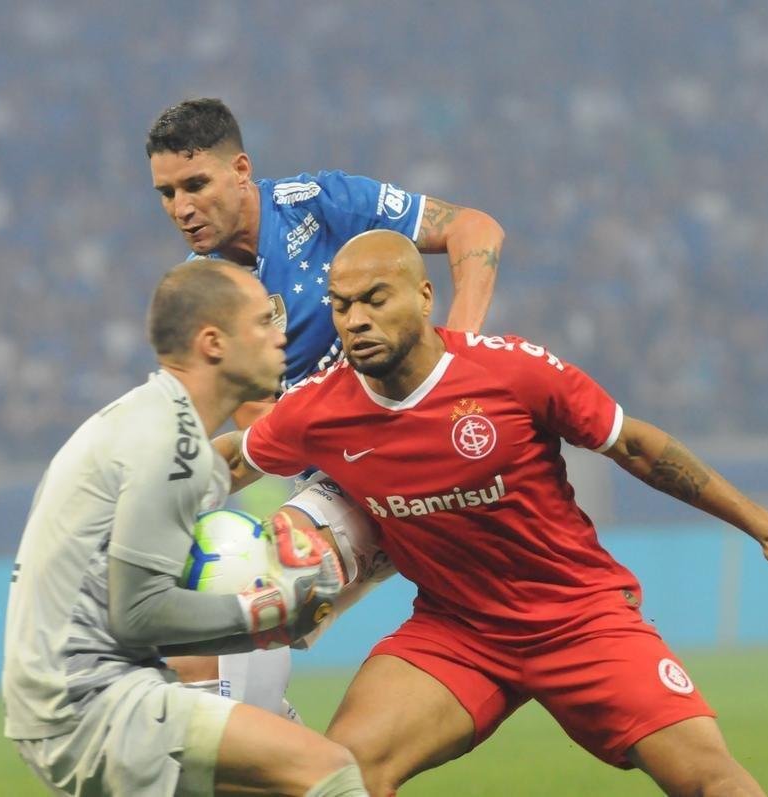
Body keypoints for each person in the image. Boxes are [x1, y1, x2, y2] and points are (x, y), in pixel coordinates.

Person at [218, 230, 768, 796]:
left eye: (375, 299)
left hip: (578, 616)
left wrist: (767, 526)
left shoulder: (510, 371)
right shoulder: (320, 407)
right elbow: (234, 459)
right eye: (341, 305)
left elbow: (637, 447)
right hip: (458, 631)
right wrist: (152, 472)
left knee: (712, 780)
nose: (356, 319)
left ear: (424, 296)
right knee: (339, 776)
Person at [145, 97, 505, 708]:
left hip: (436, 451)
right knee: (215, 624)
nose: (182, 208)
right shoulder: (202, 295)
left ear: (240, 170)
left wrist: (457, 360)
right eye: (166, 193)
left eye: (196, 184)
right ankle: (274, 744)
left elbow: (476, 230)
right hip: (347, 483)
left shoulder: (321, 204)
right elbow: (266, 434)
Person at [1, 258, 367, 797]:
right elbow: (138, 615)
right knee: (328, 772)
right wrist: (270, 605)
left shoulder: (156, 422)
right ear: (214, 343)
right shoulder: (169, 445)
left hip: (70, 698)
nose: (280, 336)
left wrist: (278, 623)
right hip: (93, 703)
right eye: (262, 322)